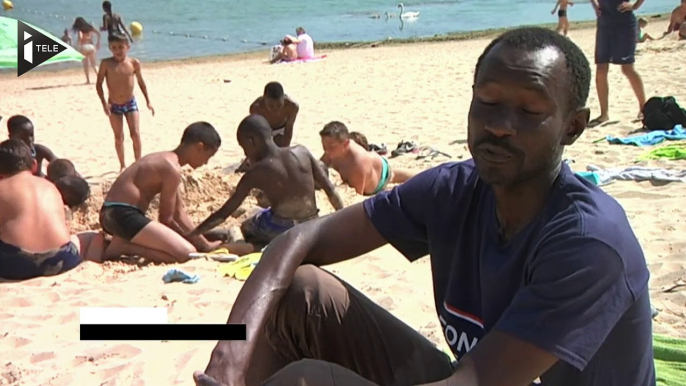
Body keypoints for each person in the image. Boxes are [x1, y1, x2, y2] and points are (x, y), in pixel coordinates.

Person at [192, 27, 654, 386]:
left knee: (303, 381)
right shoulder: (454, 190)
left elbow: (477, 381)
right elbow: (303, 237)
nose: (500, 127)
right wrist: (233, 350)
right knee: (300, 292)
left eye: (529, 111)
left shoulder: (589, 242)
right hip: (470, 374)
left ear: (572, 127)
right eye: (487, 102)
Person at [188, 115, 344, 255]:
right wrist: (343, 221)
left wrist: (195, 233)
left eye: (244, 147)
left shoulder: (256, 172)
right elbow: (331, 191)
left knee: (246, 226)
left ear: (251, 141)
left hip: (282, 228)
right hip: (311, 224)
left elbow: (224, 213)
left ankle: (247, 246)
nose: (245, 154)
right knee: (259, 212)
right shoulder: (302, 152)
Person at [99, 122, 223, 264]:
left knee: (187, 249)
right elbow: (166, 219)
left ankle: (122, 242)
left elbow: (178, 213)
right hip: (123, 215)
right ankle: (125, 247)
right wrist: (187, 240)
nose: (206, 162)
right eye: (209, 156)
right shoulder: (171, 169)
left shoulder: (167, 160)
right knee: (186, 253)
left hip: (110, 214)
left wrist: (203, 244)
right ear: (199, 147)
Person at [0, 140, 104, 281]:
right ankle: (91, 268)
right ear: (34, 165)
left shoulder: (3, 187)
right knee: (90, 236)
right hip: (61, 259)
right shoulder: (50, 186)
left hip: (17, 265)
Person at [96, 32, 154, 172]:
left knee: (135, 133)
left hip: (130, 103)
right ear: (110, 48)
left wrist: (148, 101)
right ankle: (122, 165)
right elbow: (99, 84)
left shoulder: (133, 63)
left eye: (120, 47)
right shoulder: (106, 64)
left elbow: (141, 82)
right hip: (114, 105)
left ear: (127, 47)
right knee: (118, 137)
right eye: (114, 47)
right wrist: (104, 104)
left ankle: (138, 162)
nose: (117, 51)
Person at [588, 0, 647, 127]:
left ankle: (643, 108)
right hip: (604, 23)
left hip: (624, 23)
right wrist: (594, 5)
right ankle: (604, 114)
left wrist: (635, 5)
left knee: (627, 68)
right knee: (601, 69)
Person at [319, 121, 415, 196]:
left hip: (380, 177)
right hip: (370, 161)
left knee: (393, 175)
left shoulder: (357, 164)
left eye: (331, 147)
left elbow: (355, 195)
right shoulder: (333, 149)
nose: (326, 150)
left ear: (346, 144)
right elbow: (319, 168)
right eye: (324, 146)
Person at [249, 82, 299, 148]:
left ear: (283, 98)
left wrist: (284, 149)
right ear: (264, 99)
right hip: (263, 130)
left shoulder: (292, 107)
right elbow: (256, 133)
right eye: (271, 106)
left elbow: (289, 131)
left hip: (281, 131)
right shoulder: (256, 108)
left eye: (279, 105)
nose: (276, 110)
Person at [72, 17, 101, 84]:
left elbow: (80, 38)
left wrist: (78, 46)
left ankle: (88, 80)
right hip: (91, 46)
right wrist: (98, 42)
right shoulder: (90, 27)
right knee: (94, 64)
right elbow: (98, 33)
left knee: (86, 65)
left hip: (84, 46)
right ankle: (99, 78)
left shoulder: (80, 30)